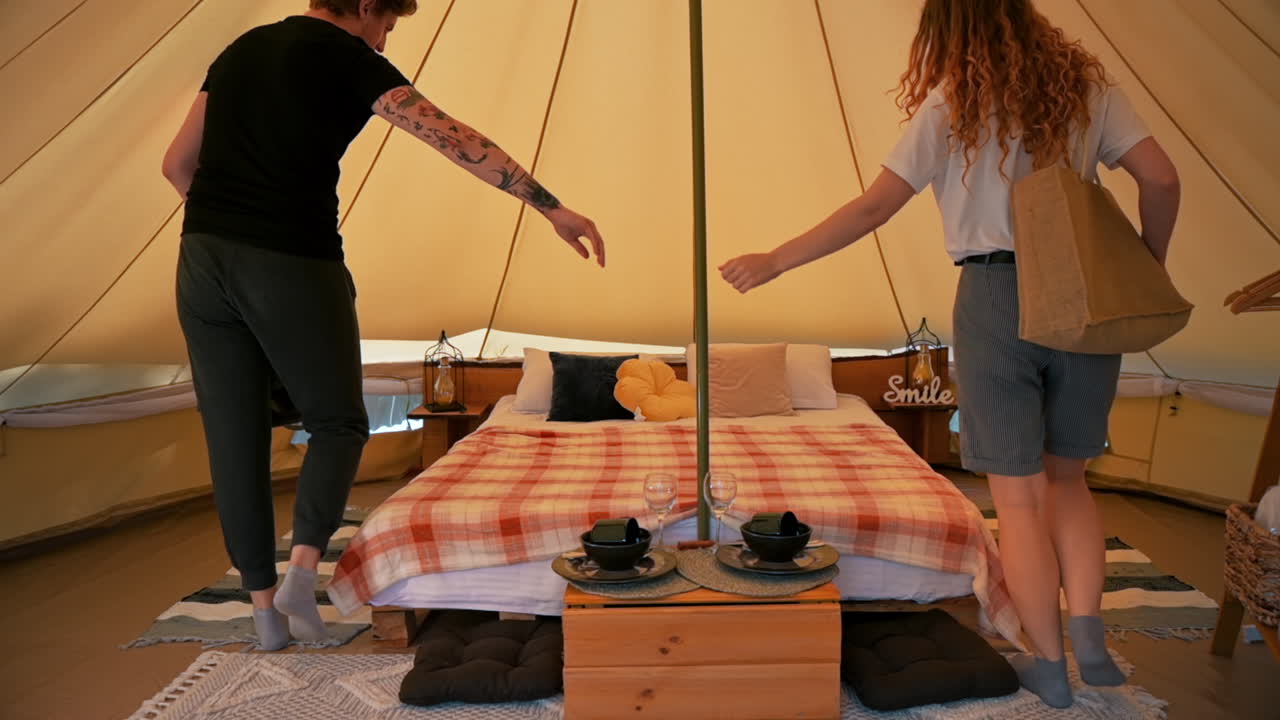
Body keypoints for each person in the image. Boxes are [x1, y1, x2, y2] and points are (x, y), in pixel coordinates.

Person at [719, 0, 1179, 707]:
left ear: (947, 33)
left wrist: (776, 260)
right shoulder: (1090, 91)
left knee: (1018, 501)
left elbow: (874, 209)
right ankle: (1089, 626)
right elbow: (1162, 178)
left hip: (995, 294)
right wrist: (1147, 263)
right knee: (1070, 479)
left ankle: (1049, 666)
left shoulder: (952, 105)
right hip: (1089, 296)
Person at [161, 0, 605, 650]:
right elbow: (454, 139)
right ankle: (305, 568)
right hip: (291, 257)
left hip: (199, 259)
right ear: (367, 7)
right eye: (388, 23)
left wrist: (228, 224)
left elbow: (176, 165)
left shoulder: (242, 50)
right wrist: (550, 207)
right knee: (339, 422)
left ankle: (263, 614)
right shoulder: (348, 58)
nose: (384, 35)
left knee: (234, 439)